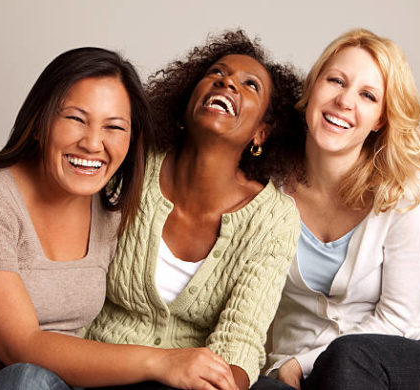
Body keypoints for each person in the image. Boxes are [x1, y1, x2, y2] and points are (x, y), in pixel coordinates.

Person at [0, 48, 243, 390]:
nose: (93, 143)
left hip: (52, 384)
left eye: (114, 127)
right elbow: (22, 347)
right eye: (76, 119)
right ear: (39, 123)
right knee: (24, 378)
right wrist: (162, 361)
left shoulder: (110, 212)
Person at [85, 30, 303, 390]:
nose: (228, 82)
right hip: (106, 368)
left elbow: (241, 338)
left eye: (250, 85)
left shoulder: (273, 218)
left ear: (260, 134)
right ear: (186, 102)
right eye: (217, 74)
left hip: (192, 381)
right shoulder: (132, 166)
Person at [265, 28, 420, 389]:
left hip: (412, 354)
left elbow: (397, 318)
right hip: (302, 370)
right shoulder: (267, 187)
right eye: (336, 81)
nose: (345, 101)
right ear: (312, 89)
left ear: (381, 120)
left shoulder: (404, 191)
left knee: (347, 360)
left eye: (368, 95)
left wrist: (304, 362)